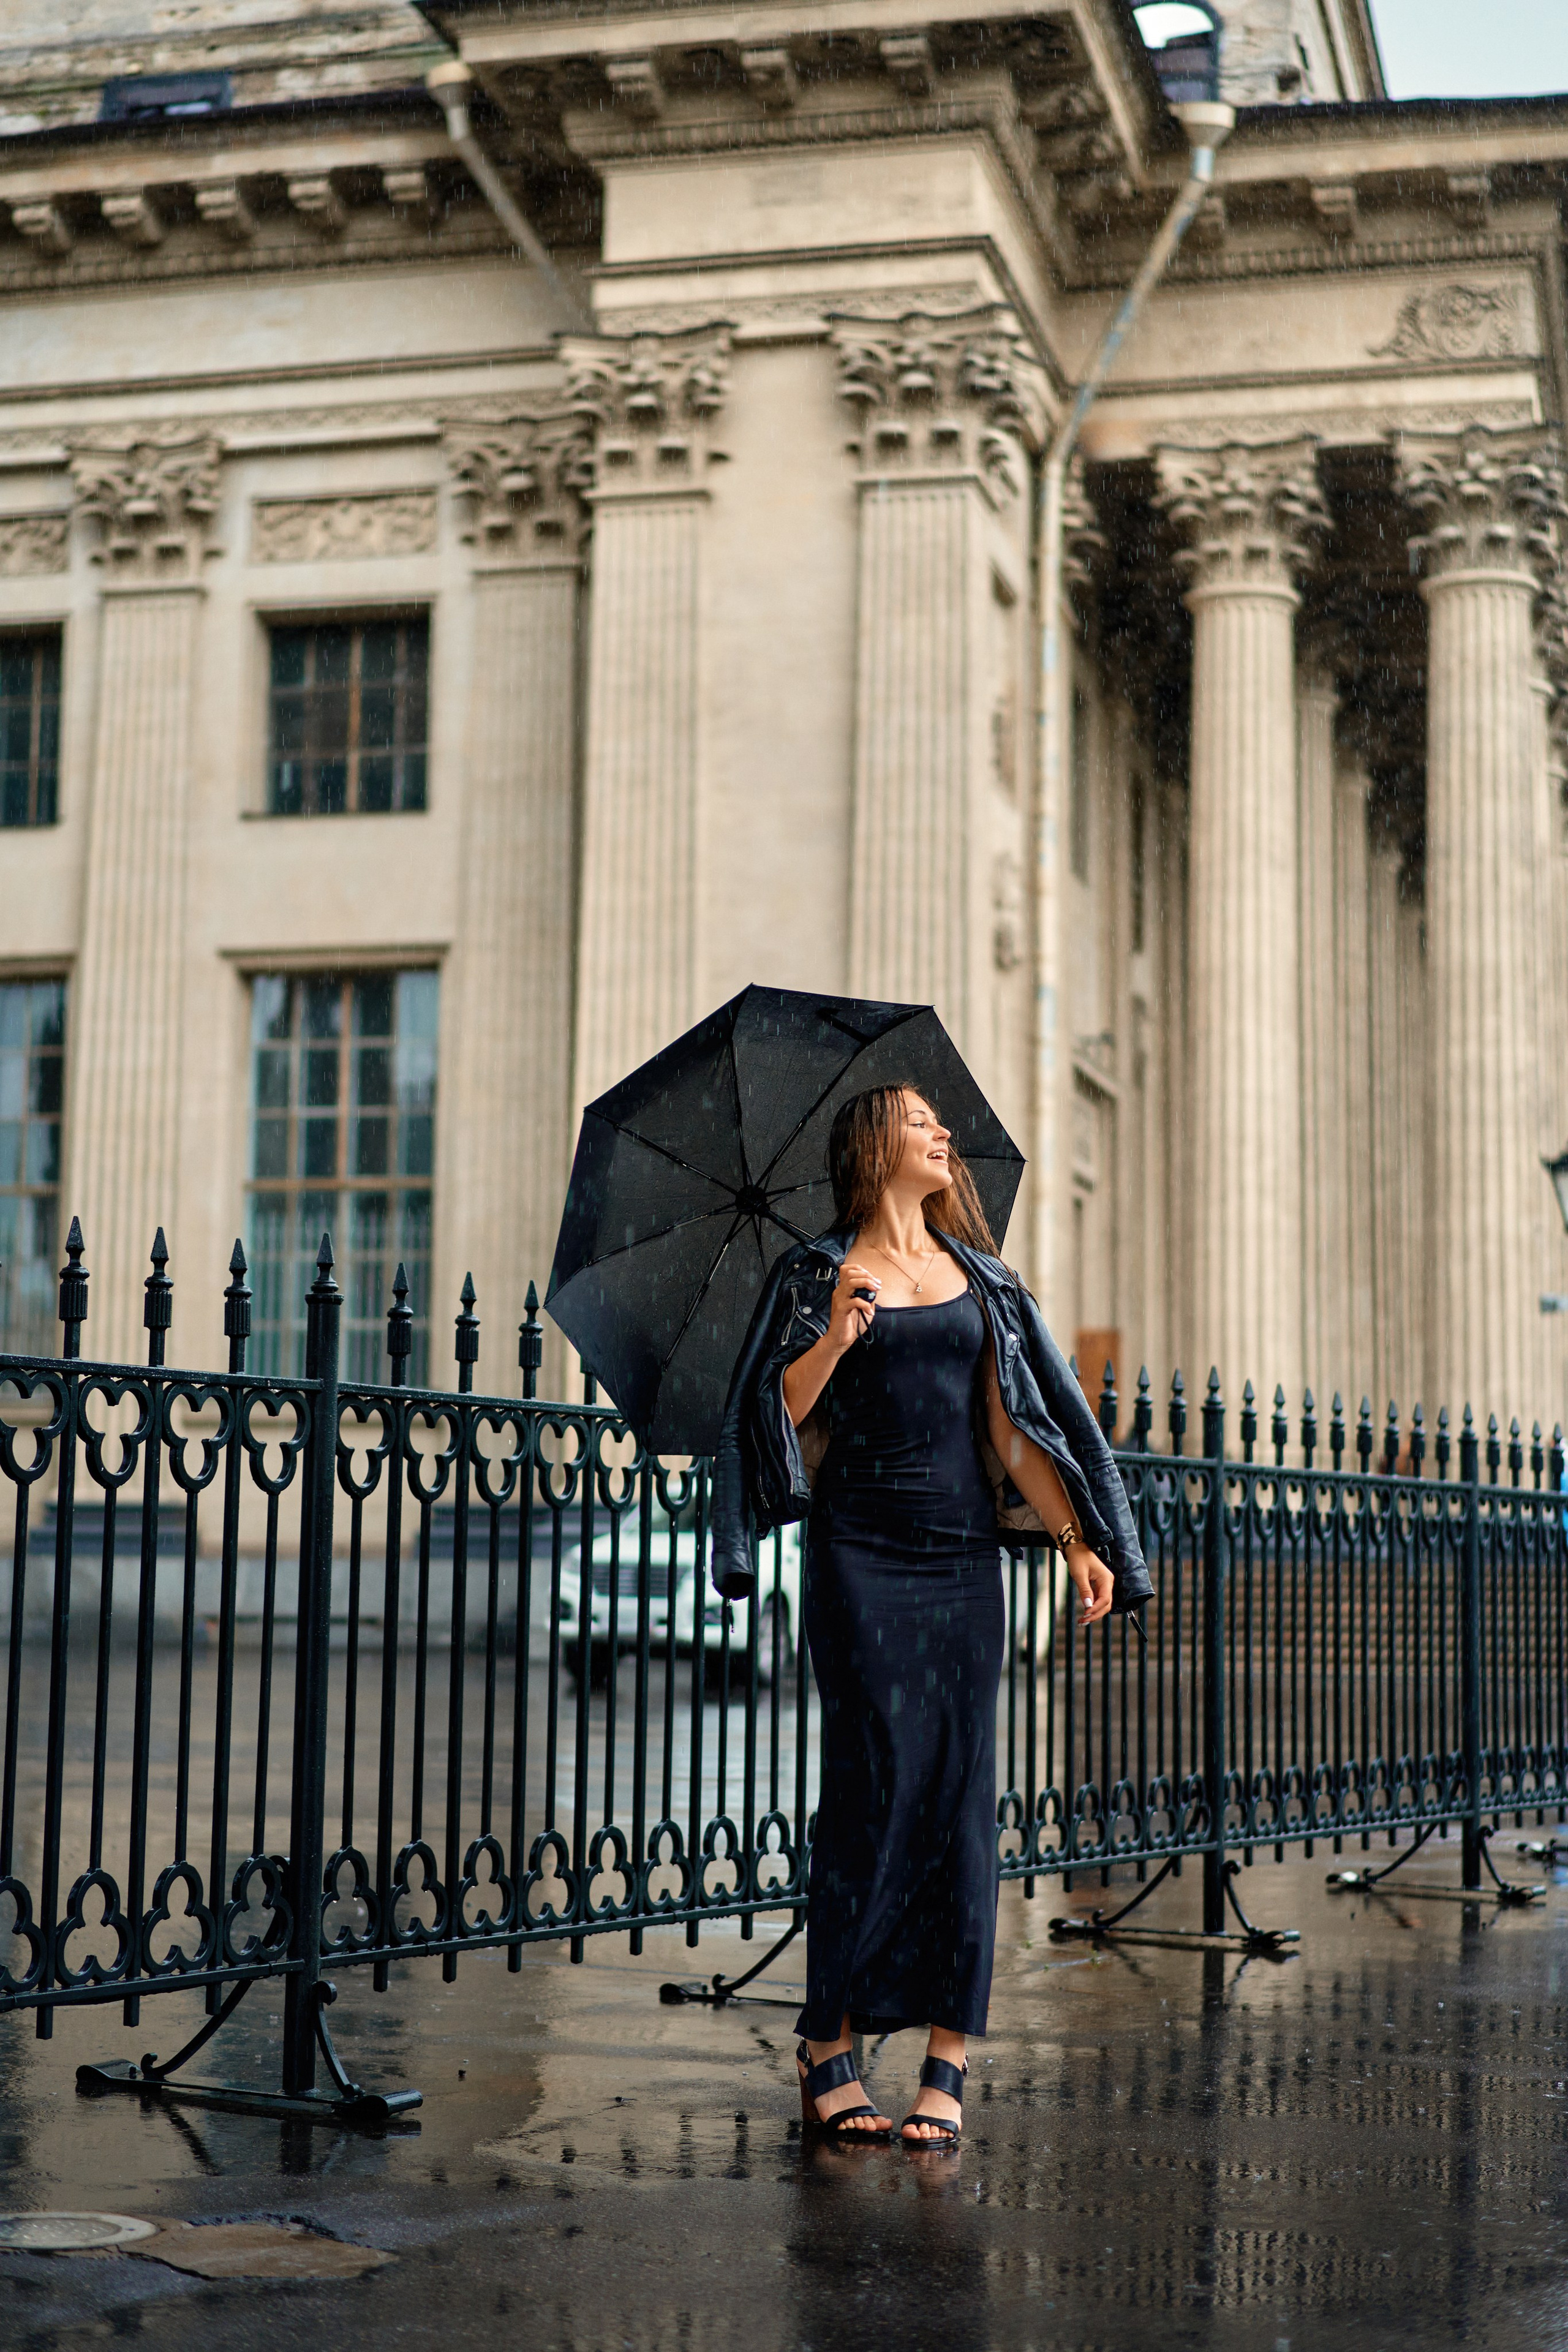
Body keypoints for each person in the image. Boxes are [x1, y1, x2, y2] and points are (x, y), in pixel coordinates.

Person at [710, 1084, 1150, 2146]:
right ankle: (829, 2046)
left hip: (961, 1568)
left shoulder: (982, 1281)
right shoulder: (818, 1275)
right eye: (921, 1123)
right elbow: (768, 1425)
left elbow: (1014, 1432)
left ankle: (948, 2061)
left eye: (939, 1125)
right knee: (869, 1792)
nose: (942, 1135)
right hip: (859, 1559)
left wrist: (1079, 1542)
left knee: (958, 1798)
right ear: (873, 1147)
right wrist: (836, 1338)